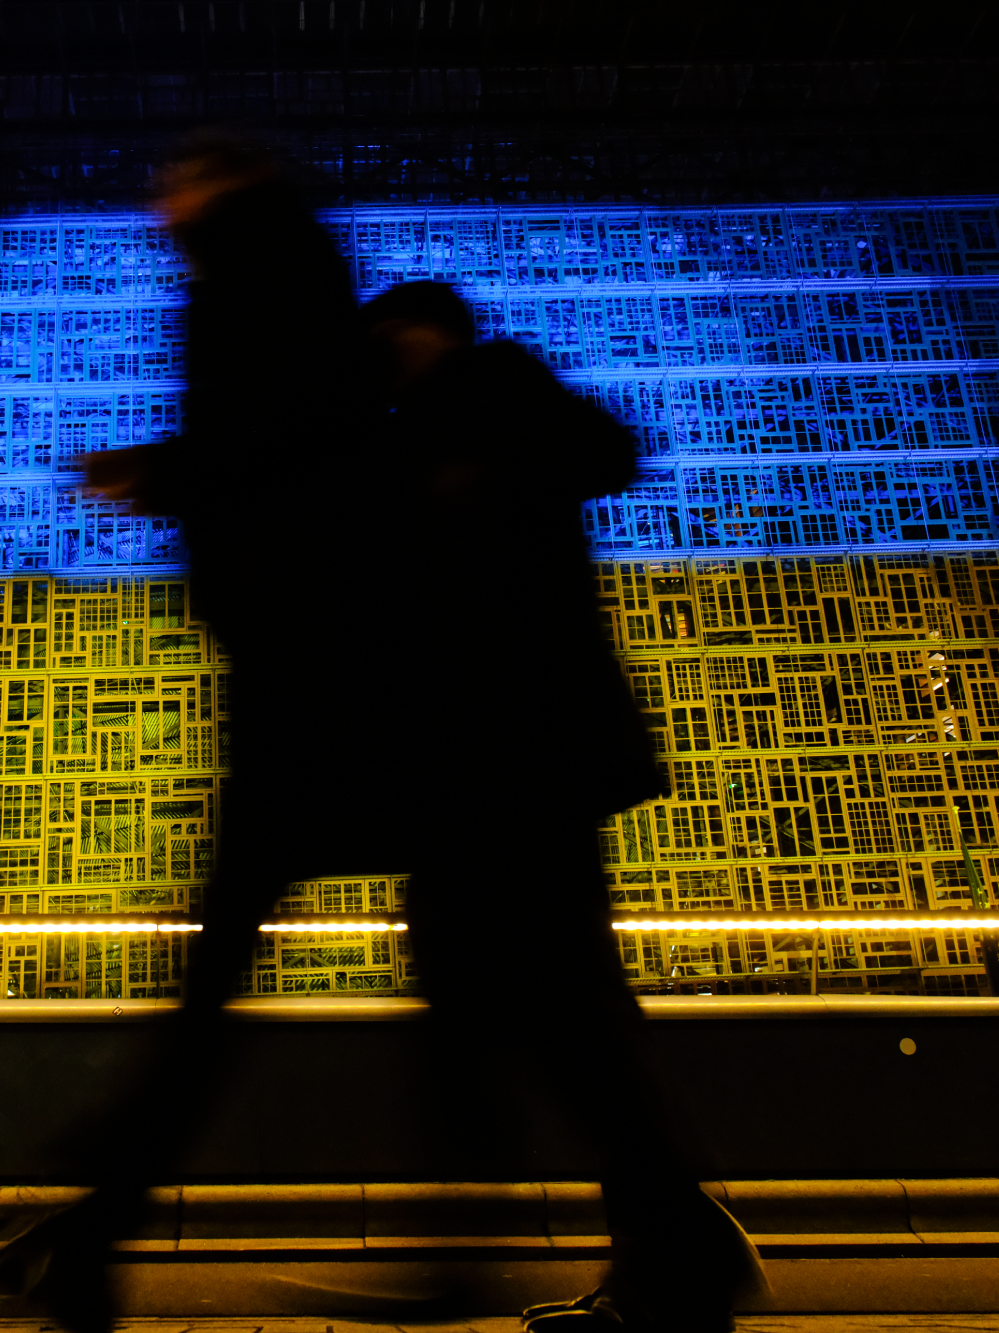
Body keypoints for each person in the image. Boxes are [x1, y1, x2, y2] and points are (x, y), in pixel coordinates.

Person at [0, 138, 407, 1333]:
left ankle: (94, 1226)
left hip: (308, 674)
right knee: (241, 969)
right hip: (311, 665)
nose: (154, 203)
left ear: (213, 187)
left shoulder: (255, 274)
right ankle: (91, 1229)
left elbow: (278, 445)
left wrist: (156, 470)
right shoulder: (276, 271)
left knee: (226, 970)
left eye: (172, 181)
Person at [360, 280, 768, 1333]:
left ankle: (526, 1256)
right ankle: (670, 1246)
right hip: (487, 768)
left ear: (420, 333)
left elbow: (605, 452)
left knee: (528, 1005)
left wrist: (475, 471)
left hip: (519, 763)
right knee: (558, 1011)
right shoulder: (416, 429)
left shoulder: (490, 385)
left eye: (386, 340)